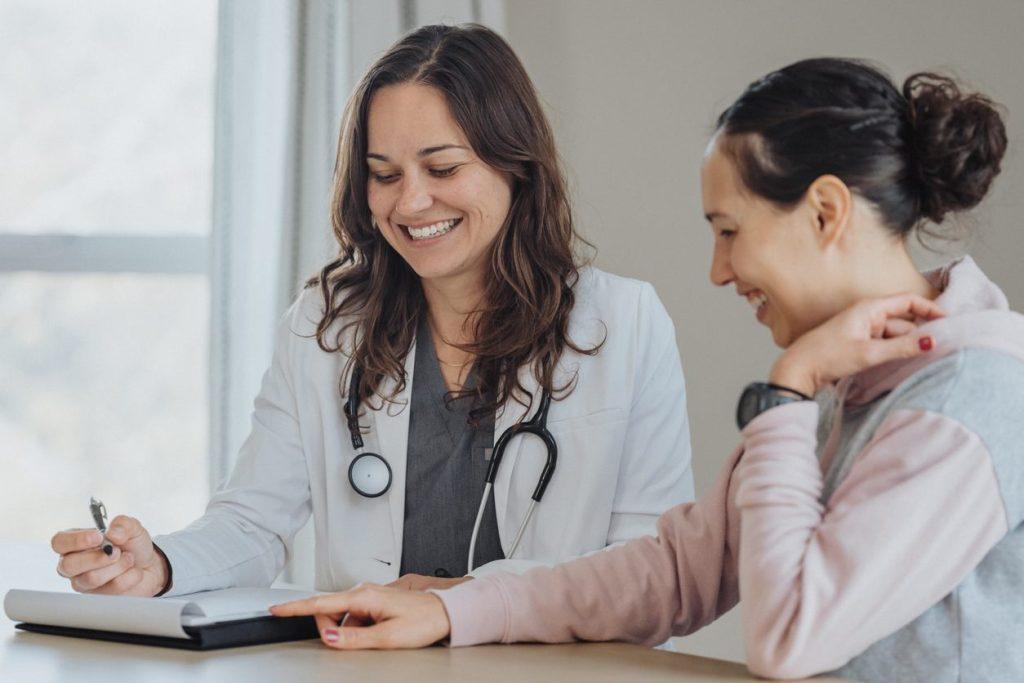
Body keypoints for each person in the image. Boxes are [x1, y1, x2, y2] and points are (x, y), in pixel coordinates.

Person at [271, 58, 1023, 682]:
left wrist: (785, 392)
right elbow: (671, 570)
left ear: (826, 212)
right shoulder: (858, 382)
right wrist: (452, 608)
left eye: (730, 231)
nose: (719, 270)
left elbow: (790, 635)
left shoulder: (961, 402)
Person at [48, 24, 694, 600]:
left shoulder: (623, 323)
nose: (411, 203)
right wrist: (159, 564)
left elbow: (647, 567)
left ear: (515, 165)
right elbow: (252, 521)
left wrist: (463, 603)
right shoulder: (327, 325)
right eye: (383, 174)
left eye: (441, 167)